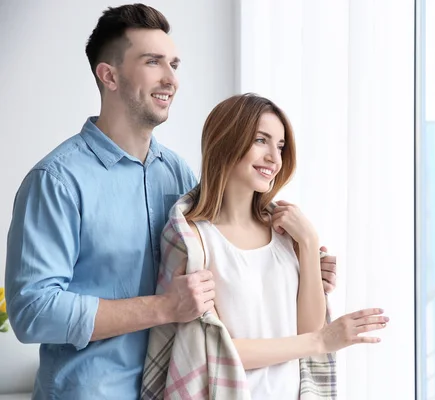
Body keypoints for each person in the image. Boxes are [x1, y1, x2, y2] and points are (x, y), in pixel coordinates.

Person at [4, 4, 336, 399]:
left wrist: (300, 273)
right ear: (108, 75)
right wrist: (164, 307)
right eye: (153, 62)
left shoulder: (179, 175)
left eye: (174, 64)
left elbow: (218, 264)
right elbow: (33, 312)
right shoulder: (57, 181)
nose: (171, 79)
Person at [144, 93, 388, 399]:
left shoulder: (287, 233)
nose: (275, 157)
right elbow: (214, 351)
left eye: (281, 146)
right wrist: (322, 341)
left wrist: (309, 244)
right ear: (226, 140)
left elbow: (307, 330)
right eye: (262, 140)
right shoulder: (193, 240)